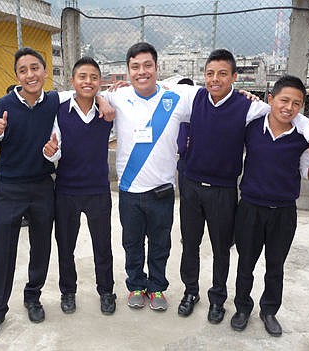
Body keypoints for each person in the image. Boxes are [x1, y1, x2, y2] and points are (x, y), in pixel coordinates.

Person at [174, 49, 309, 324]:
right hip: (191, 186)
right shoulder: (193, 97)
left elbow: (291, 113)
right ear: (203, 75)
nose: (214, 79)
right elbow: (160, 91)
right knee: (190, 244)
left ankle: (217, 299)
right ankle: (190, 292)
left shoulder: (249, 107)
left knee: (221, 249)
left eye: (222, 74)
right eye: (209, 74)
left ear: (234, 77)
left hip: (223, 190)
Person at [0, 47, 78, 342]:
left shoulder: (55, 103)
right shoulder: (2, 105)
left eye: (35, 68)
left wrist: (53, 152)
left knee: (41, 248)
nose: (30, 74)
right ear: (17, 76)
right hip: (9, 188)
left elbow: (58, 144)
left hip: (41, 186)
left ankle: (32, 297)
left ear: (45, 72)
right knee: (3, 252)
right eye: (24, 70)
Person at [230, 75, 309, 336]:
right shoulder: (251, 128)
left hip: (284, 212)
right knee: (246, 264)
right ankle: (242, 308)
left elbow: (308, 174)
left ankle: (269, 311)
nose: (289, 107)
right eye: (284, 100)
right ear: (271, 100)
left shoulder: (301, 138)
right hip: (250, 208)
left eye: (296, 103)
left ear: (301, 108)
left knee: (275, 266)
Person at [102, 42, 197, 311]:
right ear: (128, 71)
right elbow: (79, 96)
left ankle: (156, 288)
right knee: (132, 244)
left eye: (147, 66)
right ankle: (136, 286)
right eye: (135, 67)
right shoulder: (117, 97)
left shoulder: (175, 98)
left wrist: (246, 97)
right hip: (130, 191)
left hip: (162, 192)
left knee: (160, 244)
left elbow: (215, 99)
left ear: (157, 68)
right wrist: (101, 98)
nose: (141, 72)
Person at [42, 57, 116, 316]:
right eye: (82, 77)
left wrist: (103, 99)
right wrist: (50, 152)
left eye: (94, 77)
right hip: (66, 191)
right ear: (72, 81)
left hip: (98, 190)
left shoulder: (107, 111)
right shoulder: (60, 111)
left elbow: (124, 94)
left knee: (102, 245)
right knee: (65, 246)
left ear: (99, 82)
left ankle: (106, 291)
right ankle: (68, 292)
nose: (88, 81)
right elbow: (54, 151)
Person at [0, 84, 29, 229]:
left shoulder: (34, 115)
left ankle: (26, 216)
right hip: (10, 178)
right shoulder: (1, 120)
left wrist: (99, 99)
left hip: (33, 176)